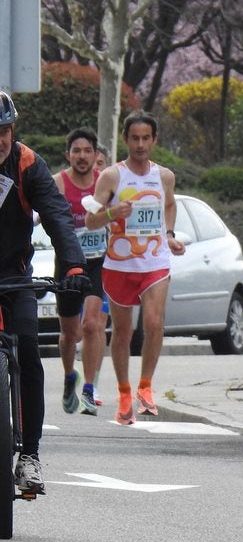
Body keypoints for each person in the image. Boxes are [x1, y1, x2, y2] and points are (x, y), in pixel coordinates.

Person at [0, 91, 89, 493]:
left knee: (29, 351)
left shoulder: (27, 164)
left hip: (14, 275)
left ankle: (30, 456)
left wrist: (72, 264)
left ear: (12, 129)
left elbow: (56, 215)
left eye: (3, 130)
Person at [84, 110, 183, 427]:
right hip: (119, 265)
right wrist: (113, 212)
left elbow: (169, 203)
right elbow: (90, 220)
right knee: (123, 333)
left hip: (155, 262)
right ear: (125, 139)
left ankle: (146, 387)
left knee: (154, 322)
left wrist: (168, 235)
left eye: (146, 138)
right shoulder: (112, 176)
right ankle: (125, 393)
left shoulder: (164, 176)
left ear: (154, 140)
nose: (140, 144)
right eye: (135, 138)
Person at [53, 127, 109, 416]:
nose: (82, 156)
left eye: (88, 151)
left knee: (91, 325)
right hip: (68, 263)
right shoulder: (58, 184)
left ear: (96, 155)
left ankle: (88, 388)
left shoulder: (105, 182)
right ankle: (68, 377)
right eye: (77, 151)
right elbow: (42, 214)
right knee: (70, 333)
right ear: (68, 155)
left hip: (99, 262)